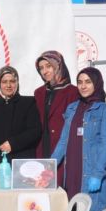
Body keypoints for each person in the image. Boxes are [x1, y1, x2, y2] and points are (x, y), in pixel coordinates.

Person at [51, 66, 106, 211]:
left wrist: (98, 174)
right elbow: (63, 141)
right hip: (72, 168)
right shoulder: (72, 108)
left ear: (96, 83)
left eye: (88, 82)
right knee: (72, 210)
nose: (83, 86)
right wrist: (50, 165)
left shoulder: (105, 110)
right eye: (80, 82)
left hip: (90, 169)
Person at [0, 66, 42, 175]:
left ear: (17, 83)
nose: (8, 85)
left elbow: (35, 131)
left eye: (12, 81)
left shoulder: (28, 102)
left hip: (22, 162)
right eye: (4, 82)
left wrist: (13, 143)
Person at [34, 51, 79, 187]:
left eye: (48, 66)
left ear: (58, 66)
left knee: (60, 187)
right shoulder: (39, 92)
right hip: (42, 147)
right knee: (42, 185)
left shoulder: (73, 92)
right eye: (41, 68)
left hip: (62, 147)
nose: (44, 71)